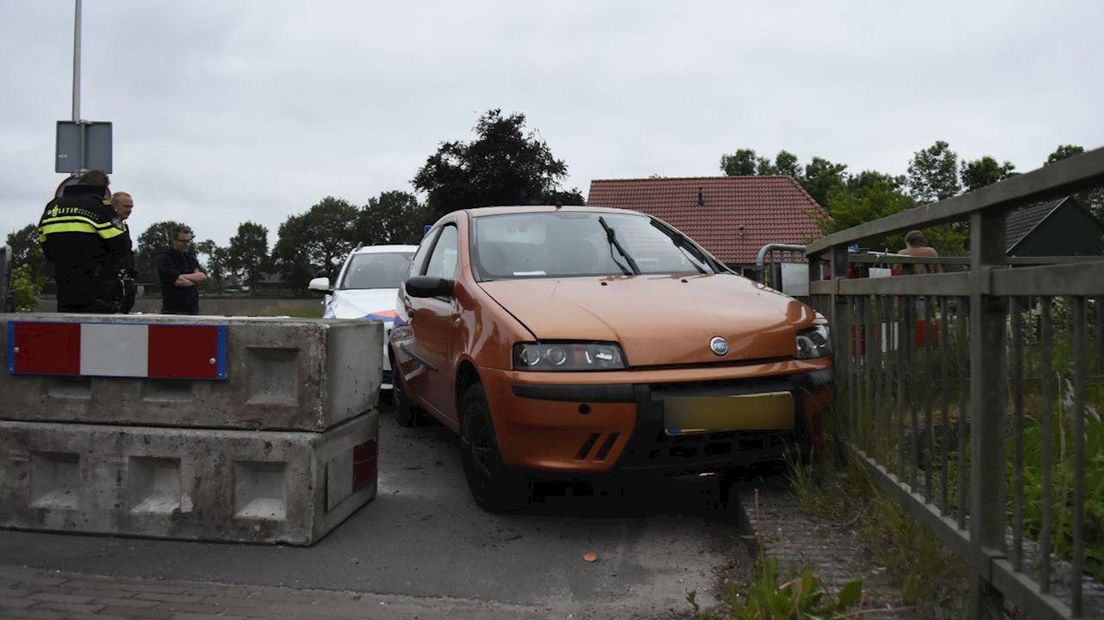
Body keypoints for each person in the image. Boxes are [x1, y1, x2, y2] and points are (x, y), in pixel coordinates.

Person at [37, 170, 130, 313]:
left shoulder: (53, 206)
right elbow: (121, 244)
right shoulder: (100, 207)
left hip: (63, 285)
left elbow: (43, 242)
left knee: (68, 329)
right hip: (96, 288)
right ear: (103, 188)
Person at [157, 226, 207, 314]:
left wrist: (181, 276)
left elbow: (202, 276)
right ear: (174, 241)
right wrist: (192, 278)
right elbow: (179, 281)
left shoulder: (190, 257)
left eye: (188, 241)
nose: (186, 244)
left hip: (192, 311)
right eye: (183, 241)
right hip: (172, 311)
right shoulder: (166, 258)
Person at [110, 192, 138, 312]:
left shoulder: (123, 226)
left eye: (131, 207)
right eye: (126, 207)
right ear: (115, 206)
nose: (129, 210)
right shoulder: (109, 224)